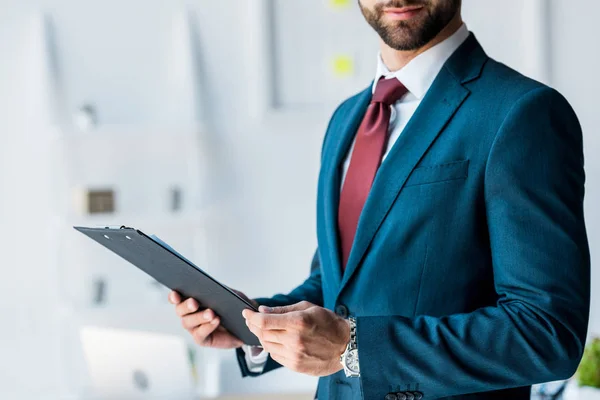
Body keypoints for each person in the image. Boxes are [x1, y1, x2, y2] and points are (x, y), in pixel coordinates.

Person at [169, 0, 590, 399]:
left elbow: (547, 332)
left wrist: (353, 349)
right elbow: (340, 288)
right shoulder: (346, 119)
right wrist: (253, 323)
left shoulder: (522, 113)